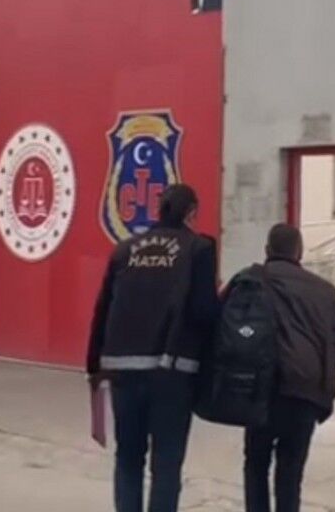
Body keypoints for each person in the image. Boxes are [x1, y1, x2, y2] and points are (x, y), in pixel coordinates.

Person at [87, 184, 220, 512]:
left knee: (128, 456)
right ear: (191, 213)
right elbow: (203, 313)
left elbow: (103, 307)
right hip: (171, 372)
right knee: (166, 462)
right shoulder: (199, 248)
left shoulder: (125, 250)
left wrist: (93, 364)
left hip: (122, 369)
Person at [243, 224, 335, 512]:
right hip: (306, 392)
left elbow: (234, 331)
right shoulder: (325, 291)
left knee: (256, 463)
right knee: (290, 471)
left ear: (267, 250)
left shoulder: (252, 280)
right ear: (299, 252)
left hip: (262, 390)